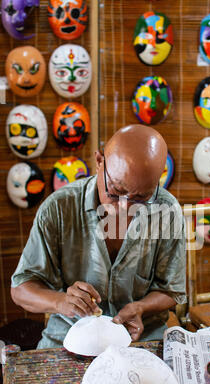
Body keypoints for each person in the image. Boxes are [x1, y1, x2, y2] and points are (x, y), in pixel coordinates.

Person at [10, 124, 186, 348]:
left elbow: (172, 290)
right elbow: (21, 288)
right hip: (70, 334)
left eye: (141, 199)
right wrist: (61, 301)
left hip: (140, 335)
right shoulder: (59, 207)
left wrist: (141, 307)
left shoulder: (166, 210)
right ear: (99, 161)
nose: (124, 207)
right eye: (116, 191)